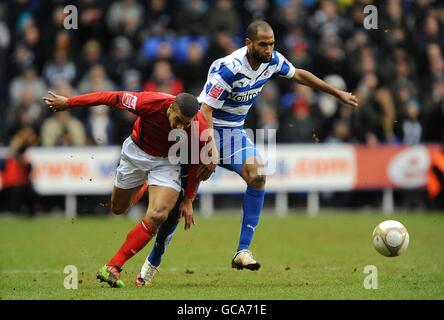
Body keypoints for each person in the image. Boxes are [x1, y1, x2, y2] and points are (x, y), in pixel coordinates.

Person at [134, 20, 359, 287]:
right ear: (248, 43)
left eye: (272, 43)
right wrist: (210, 148)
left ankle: (242, 250)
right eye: (263, 44)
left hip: (233, 134)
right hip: (203, 131)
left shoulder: (272, 60)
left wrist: (337, 93)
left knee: (258, 175)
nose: (269, 49)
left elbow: (298, 74)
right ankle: (151, 264)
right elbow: (205, 111)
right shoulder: (228, 70)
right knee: (176, 209)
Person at [42, 89, 210, 287]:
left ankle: (113, 266)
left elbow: (193, 164)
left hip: (167, 162)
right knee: (118, 209)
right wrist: (69, 102)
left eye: (186, 124)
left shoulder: (199, 127)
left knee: (158, 215)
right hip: (136, 154)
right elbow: (109, 97)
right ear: (171, 107)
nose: (181, 128)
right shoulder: (149, 102)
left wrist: (189, 199)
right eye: (179, 120)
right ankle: (146, 187)